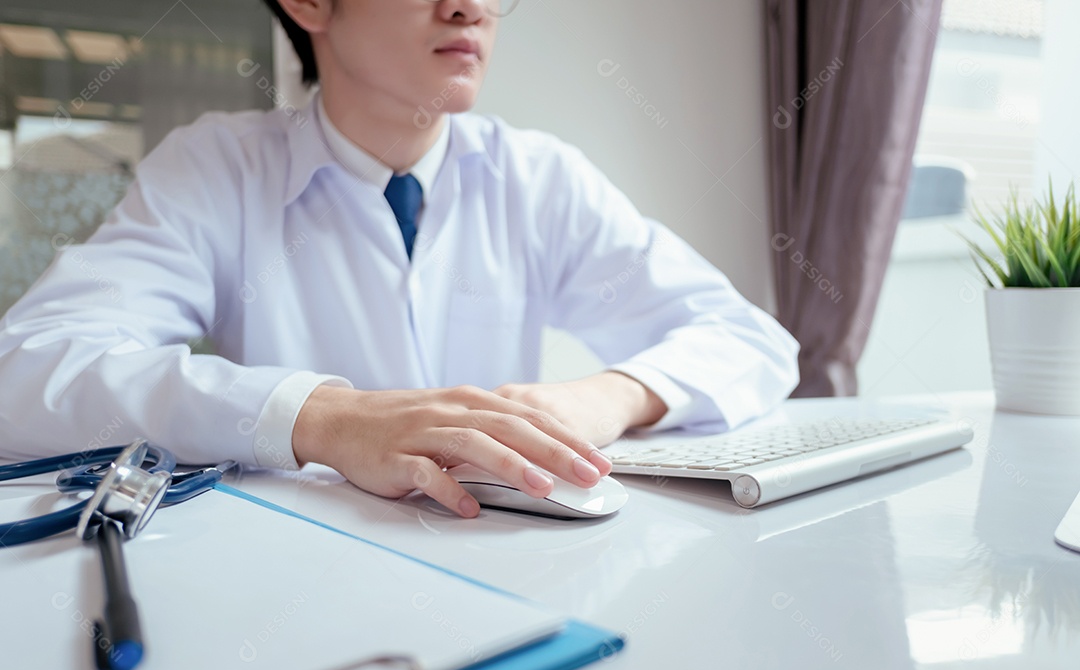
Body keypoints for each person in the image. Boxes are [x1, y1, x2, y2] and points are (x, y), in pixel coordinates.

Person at [0, 0, 799, 518]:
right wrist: (326, 418)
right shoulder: (215, 168)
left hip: (510, 561)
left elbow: (752, 338)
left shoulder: (538, 175)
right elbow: (28, 368)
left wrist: (605, 398)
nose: (472, 7)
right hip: (303, 590)